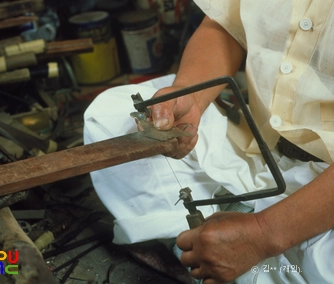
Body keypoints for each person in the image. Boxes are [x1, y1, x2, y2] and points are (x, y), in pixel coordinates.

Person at [84, 1, 334, 283]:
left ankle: (225, 248)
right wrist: (190, 93)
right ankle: (218, 245)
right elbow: (224, 26)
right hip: (257, 145)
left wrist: (263, 235)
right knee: (110, 118)